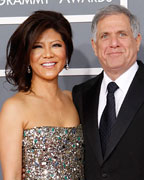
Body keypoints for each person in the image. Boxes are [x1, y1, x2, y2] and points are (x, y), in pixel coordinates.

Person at [0, 10, 84, 179]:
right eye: (37, 46)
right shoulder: (15, 108)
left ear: (66, 52)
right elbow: (13, 177)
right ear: (27, 55)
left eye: (56, 45)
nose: (48, 54)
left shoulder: (74, 99)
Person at [72, 4, 144, 180]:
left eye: (122, 34)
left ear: (137, 41)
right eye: (105, 36)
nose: (114, 43)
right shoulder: (81, 95)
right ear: (94, 46)